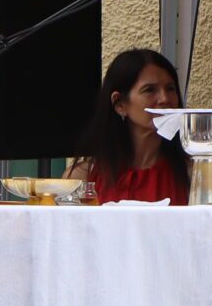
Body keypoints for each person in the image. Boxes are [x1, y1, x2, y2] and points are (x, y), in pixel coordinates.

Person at [67, 48, 192, 204]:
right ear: (120, 104)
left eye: (170, 88)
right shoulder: (83, 177)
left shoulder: (193, 173)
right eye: (150, 90)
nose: (164, 98)